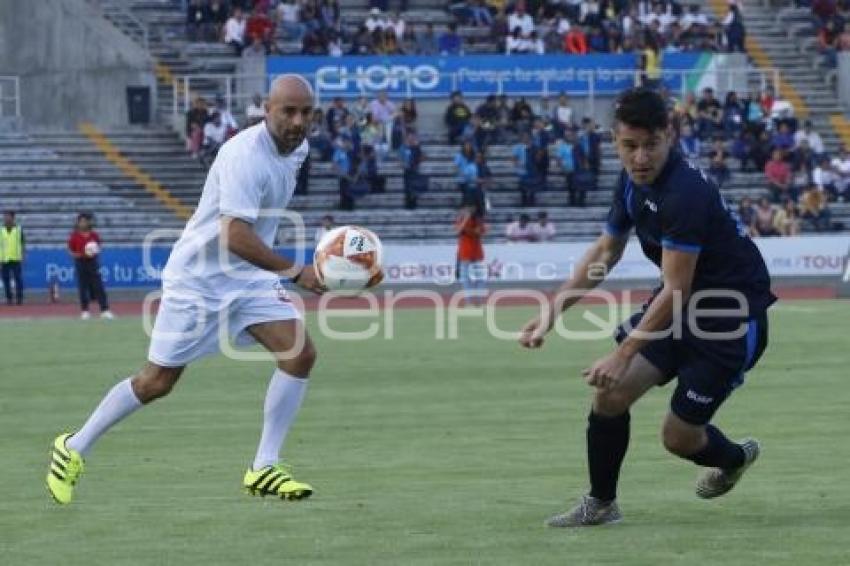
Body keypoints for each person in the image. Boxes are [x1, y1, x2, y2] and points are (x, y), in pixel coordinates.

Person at [46, 75, 326, 506]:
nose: (297, 120)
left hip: (248, 277)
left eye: (305, 112)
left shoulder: (300, 148)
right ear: (266, 110)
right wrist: (295, 270)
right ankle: (73, 446)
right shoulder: (243, 156)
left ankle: (264, 466)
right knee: (158, 381)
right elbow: (234, 235)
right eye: (288, 111)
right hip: (200, 280)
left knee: (300, 353)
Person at [519, 88, 775, 528]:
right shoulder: (632, 182)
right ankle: (601, 504)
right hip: (679, 307)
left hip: (728, 319)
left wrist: (622, 353)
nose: (640, 157)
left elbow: (676, 287)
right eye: (629, 146)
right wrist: (551, 312)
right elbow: (605, 253)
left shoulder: (684, 193)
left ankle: (734, 458)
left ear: (669, 136)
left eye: (650, 145)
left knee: (678, 438)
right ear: (615, 142)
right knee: (610, 395)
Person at [67, 213, 114, 320]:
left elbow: (99, 247)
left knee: (99, 287)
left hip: (92, 263)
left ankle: (105, 310)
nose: (83, 223)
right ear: (78, 223)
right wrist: (80, 254)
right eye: (81, 221)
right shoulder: (74, 236)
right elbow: (70, 251)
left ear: (88, 222)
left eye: (85, 221)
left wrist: (93, 252)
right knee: (83, 288)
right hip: (80, 263)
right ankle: (85, 311)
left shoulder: (94, 235)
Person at [454, 206, 487, 307]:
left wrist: (473, 222)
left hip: (477, 253)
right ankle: (469, 302)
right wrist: (466, 219)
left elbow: (480, 232)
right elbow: (458, 231)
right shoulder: (460, 221)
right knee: (465, 278)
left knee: (480, 278)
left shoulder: (479, 221)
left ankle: (480, 301)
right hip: (465, 253)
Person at [0, 210, 25, 305]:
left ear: (13, 217)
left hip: (16, 258)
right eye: (5, 216)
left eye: (8, 216)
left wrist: (23, 255)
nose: (6, 218)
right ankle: (9, 298)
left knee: (18, 279)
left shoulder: (18, 229)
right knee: (6, 280)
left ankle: (19, 298)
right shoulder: (1, 230)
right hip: (4, 259)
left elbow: (22, 243)